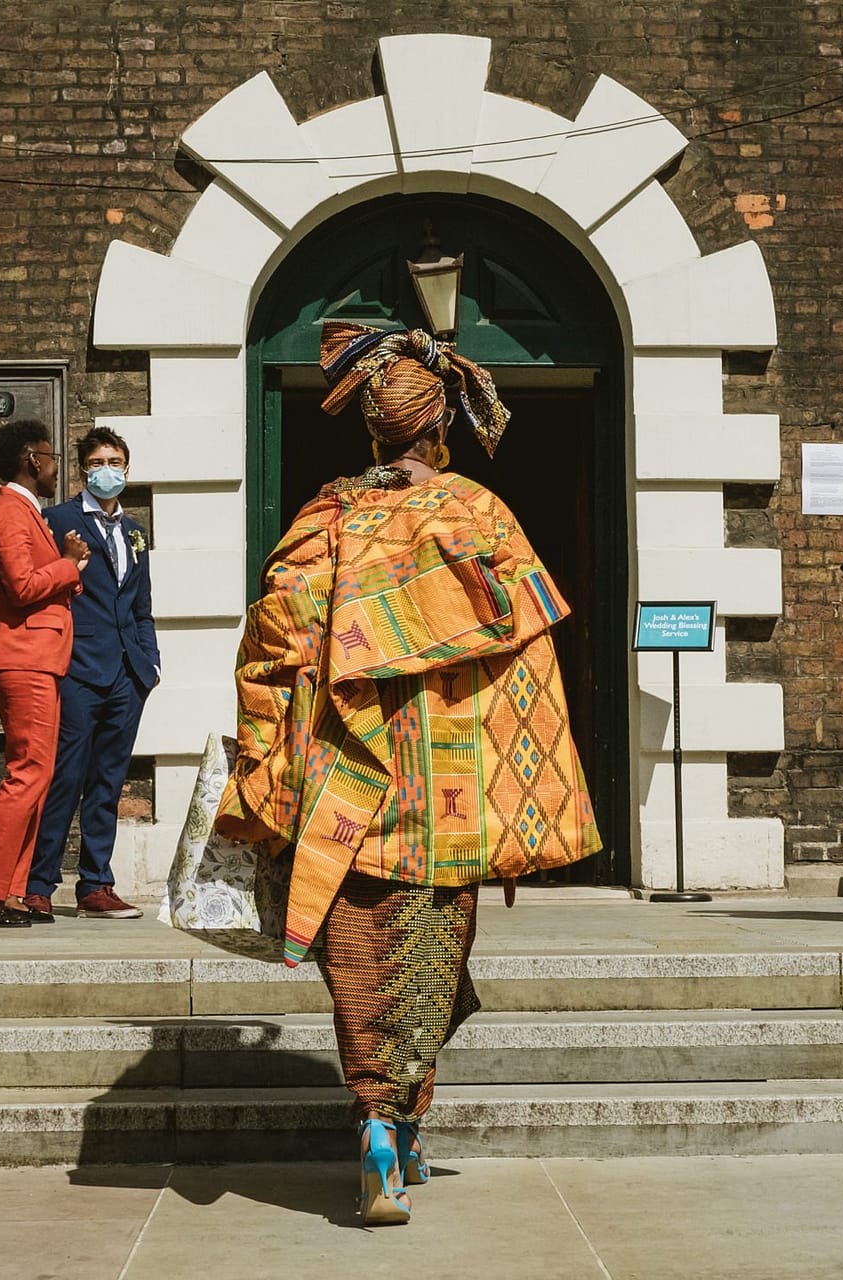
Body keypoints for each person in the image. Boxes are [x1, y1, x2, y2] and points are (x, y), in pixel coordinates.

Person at [215, 322, 600, 1225]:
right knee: (428, 960)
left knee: (358, 964)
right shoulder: (480, 515)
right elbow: (528, 672)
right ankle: (389, 1126)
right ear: (442, 429)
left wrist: (267, 765)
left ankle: (389, 1125)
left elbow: (272, 652)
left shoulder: (326, 518)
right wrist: (525, 806)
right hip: (450, 800)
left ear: (373, 433)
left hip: (348, 791)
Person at [25, 426, 161, 922]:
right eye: (100, 461)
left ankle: (96, 885)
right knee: (65, 778)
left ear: (127, 468)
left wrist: (150, 663)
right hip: (78, 669)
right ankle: (39, 884)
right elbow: (40, 589)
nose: (109, 470)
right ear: (84, 468)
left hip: (129, 672)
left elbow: (140, 602)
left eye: (117, 462)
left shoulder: (134, 529)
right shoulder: (57, 519)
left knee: (109, 783)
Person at [0, 419, 89, 928]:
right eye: (52, 455)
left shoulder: (26, 511)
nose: (58, 465)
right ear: (32, 460)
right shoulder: (10, 509)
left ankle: (11, 891)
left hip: (39, 656)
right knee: (27, 773)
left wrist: (65, 570)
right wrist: (69, 563)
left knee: (38, 774)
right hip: (23, 656)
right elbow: (20, 586)